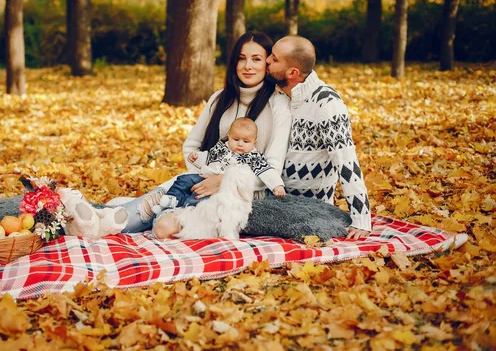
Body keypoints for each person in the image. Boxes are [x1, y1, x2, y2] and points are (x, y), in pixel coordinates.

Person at [118, 31, 292, 236]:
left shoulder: (279, 105)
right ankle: (96, 219)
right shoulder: (220, 98)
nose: (248, 66)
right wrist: (203, 177)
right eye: (241, 59)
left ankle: (112, 217)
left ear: (267, 64)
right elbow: (191, 146)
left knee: (162, 225)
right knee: (144, 207)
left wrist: (223, 181)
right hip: (201, 182)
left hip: (243, 195)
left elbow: (271, 167)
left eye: (256, 59)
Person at [265, 36, 372, 239]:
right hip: (273, 200)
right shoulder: (277, 95)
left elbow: (346, 163)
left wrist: (361, 219)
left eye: (274, 58)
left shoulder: (327, 103)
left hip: (313, 209)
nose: (267, 60)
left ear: (292, 73)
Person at [153, 117, 285, 214]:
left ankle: (182, 209)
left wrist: (277, 185)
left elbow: (267, 171)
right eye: (236, 139)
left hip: (224, 189)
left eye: (246, 141)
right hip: (206, 176)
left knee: (199, 197)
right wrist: (197, 158)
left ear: (254, 142)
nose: (240, 144)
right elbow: (209, 157)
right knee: (183, 180)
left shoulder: (253, 157)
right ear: (229, 137)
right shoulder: (222, 148)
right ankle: (171, 199)